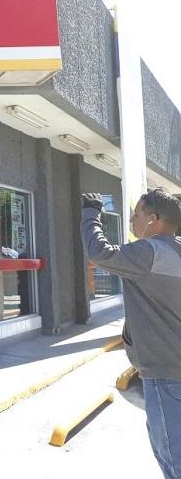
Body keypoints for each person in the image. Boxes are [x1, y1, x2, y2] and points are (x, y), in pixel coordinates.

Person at [80, 189, 181, 479]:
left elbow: (99, 253)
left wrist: (90, 213)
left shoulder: (150, 251)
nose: (132, 220)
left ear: (154, 219)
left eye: (136, 214)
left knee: (172, 457)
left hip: (165, 372)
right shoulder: (174, 250)